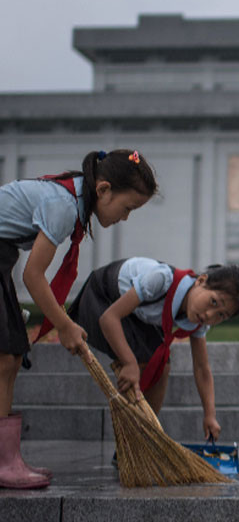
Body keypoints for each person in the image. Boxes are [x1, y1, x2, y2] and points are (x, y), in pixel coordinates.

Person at [0, 149, 157, 489]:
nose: (125, 218)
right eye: (127, 208)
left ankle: (6, 460)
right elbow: (34, 276)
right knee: (4, 358)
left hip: (2, 259)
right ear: (103, 190)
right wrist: (65, 325)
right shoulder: (62, 205)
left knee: (10, 358)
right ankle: (3, 464)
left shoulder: (71, 198)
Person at [66, 258, 239, 448]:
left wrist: (210, 415)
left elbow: (202, 368)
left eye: (221, 315)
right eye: (213, 302)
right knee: (141, 361)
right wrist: (129, 362)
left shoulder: (198, 321)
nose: (210, 315)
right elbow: (109, 318)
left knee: (160, 366)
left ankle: (140, 442)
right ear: (201, 281)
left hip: (132, 314)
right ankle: (132, 443)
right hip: (101, 297)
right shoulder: (161, 279)